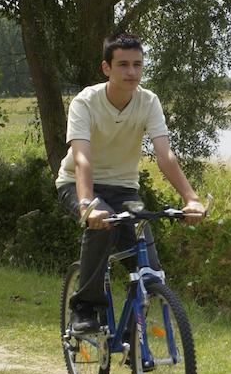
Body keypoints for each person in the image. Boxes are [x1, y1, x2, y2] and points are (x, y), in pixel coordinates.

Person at [55, 32, 205, 333]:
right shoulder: (86, 102)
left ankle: (131, 329)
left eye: (137, 65)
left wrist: (190, 198)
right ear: (106, 68)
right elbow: (83, 159)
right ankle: (85, 308)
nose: (131, 72)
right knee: (103, 225)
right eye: (123, 64)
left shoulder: (148, 102)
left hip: (124, 188)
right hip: (77, 184)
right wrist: (87, 205)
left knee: (149, 267)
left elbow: (165, 156)